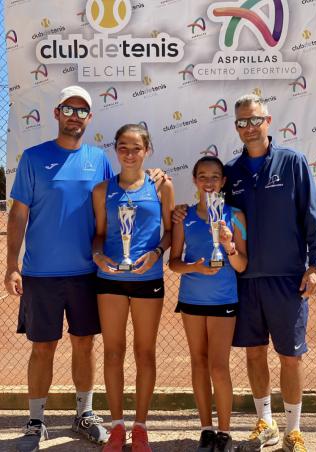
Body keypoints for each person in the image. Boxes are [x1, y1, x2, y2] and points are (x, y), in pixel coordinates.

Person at [173, 94, 316, 452]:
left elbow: (313, 214)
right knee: (254, 353)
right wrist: (182, 211)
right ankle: (266, 423)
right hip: (243, 279)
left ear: (268, 121)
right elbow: (213, 207)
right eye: (242, 122)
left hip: (287, 278)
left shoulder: (293, 162)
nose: (249, 127)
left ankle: (294, 429)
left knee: (291, 356)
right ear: (236, 127)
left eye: (254, 120)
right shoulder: (232, 172)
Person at [4, 85, 113, 452]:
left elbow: (114, 209)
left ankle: (84, 415)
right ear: (56, 113)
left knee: (85, 344)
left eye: (82, 111)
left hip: (86, 275)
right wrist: (11, 266)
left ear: (89, 119)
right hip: (40, 276)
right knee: (43, 348)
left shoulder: (99, 160)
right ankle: (36, 422)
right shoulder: (33, 158)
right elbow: (18, 214)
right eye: (69, 109)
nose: (75, 117)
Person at [92, 124, 174, 452]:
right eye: (123, 147)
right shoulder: (102, 191)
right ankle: (116, 426)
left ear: (147, 151)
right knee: (113, 353)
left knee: (145, 353)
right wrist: (98, 254)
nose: (129, 153)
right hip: (110, 281)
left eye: (136, 147)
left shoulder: (161, 186)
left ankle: (140, 426)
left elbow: (169, 232)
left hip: (148, 280)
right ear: (115, 150)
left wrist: (156, 253)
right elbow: (99, 233)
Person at [169, 156, 247, 452]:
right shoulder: (183, 216)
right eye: (203, 176)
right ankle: (206, 429)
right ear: (194, 180)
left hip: (224, 300)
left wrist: (228, 246)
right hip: (191, 300)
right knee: (199, 364)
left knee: (218, 367)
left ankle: (225, 433)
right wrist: (195, 268)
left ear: (224, 181)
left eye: (215, 176)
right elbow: (174, 263)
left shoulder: (236, 215)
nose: (209, 182)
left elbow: (241, 265)